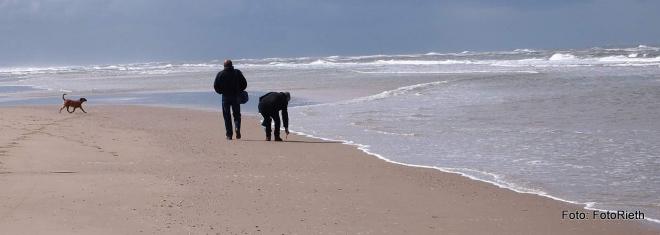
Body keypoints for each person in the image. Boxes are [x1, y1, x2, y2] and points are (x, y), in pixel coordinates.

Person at [213, 59, 247, 140]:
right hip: (236, 97)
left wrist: (221, 92)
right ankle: (237, 128)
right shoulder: (237, 72)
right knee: (237, 115)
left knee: (226, 116)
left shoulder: (220, 74)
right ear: (231, 65)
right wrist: (239, 90)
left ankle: (229, 135)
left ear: (224, 66)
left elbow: (215, 86)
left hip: (225, 97)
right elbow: (244, 84)